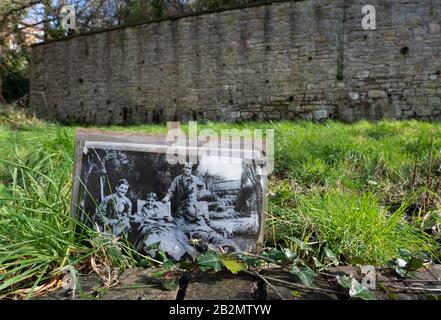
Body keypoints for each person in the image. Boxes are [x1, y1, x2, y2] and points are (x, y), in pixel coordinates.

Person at [162, 163, 241, 253]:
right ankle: (215, 251)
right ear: (183, 169)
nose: (187, 169)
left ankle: (232, 249)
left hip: (205, 229)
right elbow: (171, 190)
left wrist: (221, 228)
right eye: (185, 168)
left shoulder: (200, 203)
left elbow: (208, 222)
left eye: (189, 168)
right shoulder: (178, 180)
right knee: (202, 239)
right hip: (195, 229)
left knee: (220, 239)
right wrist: (167, 198)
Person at [135, 192, 197, 260]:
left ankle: (173, 254)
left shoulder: (158, 210)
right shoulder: (141, 211)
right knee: (153, 235)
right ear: (146, 201)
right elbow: (137, 218)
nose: (150, 203)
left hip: (162, 225)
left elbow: (168, 217)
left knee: (172, 234)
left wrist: (168, 218)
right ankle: (155, 255)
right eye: (148, 200)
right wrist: (141, 219)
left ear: (154, 201)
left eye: (152, 201)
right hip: (151, 226)